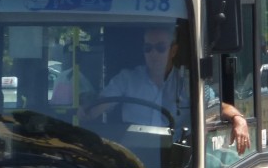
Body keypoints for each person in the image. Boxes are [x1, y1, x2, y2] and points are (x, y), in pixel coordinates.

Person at [84, 26, 250, 154]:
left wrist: (239, 119)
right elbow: (96, 108)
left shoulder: (186, 83)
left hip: (175, 159)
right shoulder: (126, 79)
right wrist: (84, 113)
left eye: (160, 48)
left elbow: (220, 108)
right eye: (148, 48)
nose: (153, 54)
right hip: (131, 155)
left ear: (173, 50)